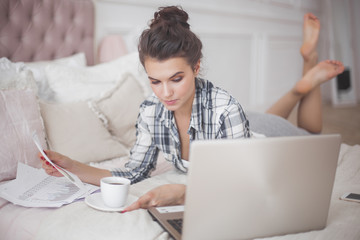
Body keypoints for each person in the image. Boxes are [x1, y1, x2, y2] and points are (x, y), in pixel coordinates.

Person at [40, 7, 344, 212]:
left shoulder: (226, 109)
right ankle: (300, 86)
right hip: (246, 125)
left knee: (307, 130)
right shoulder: (150, 111)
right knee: (269, 117)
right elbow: (132, 172)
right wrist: (71, 164)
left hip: (260, 136)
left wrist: (184, 192)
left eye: (176, 78)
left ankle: (307, 68)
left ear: (196, 67)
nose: (166, 93)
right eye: (155, 82)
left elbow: (243, 181)